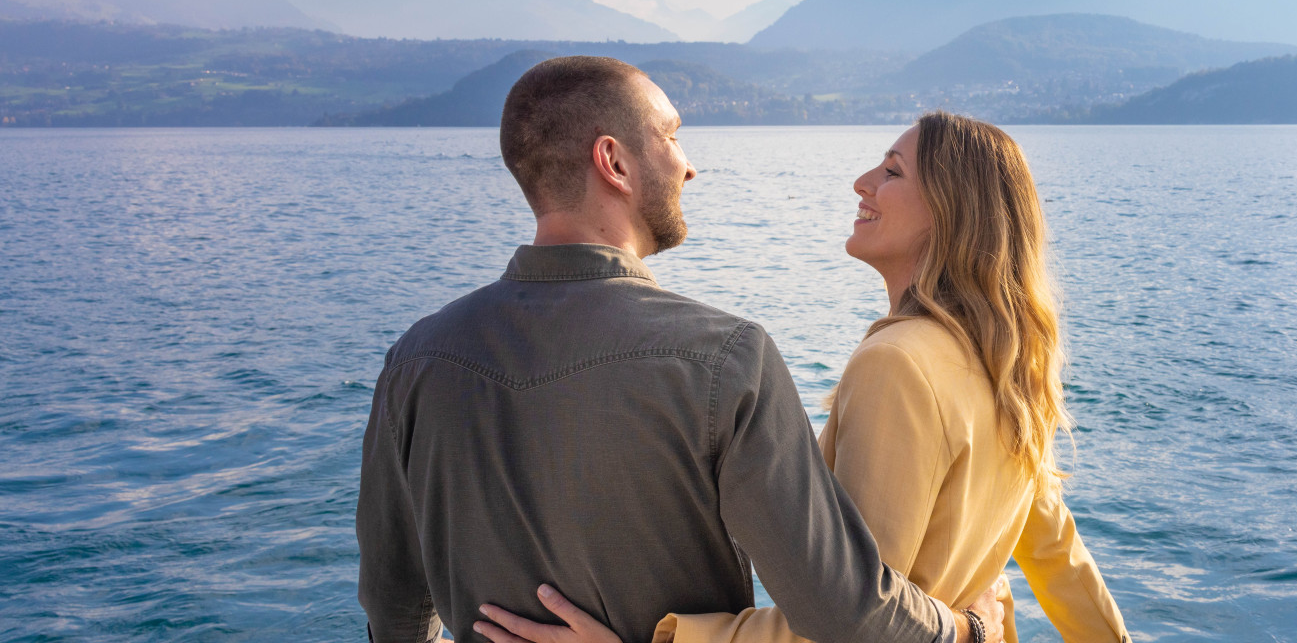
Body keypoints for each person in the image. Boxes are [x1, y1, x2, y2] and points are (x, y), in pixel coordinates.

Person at [356, 58, 1002, 643]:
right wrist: (967, 630)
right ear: (614, 162)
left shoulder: (415, 360)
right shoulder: (726, 359)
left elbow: (394, 608)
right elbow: (845, 613)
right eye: (670, 135)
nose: (688, 164)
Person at [472, 112, 1131, 643]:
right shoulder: (1005, 367)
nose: (861, 183)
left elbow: (855, 619)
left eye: (892, 171)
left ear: (949, 213)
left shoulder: (899, 364)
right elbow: (1059, 557)